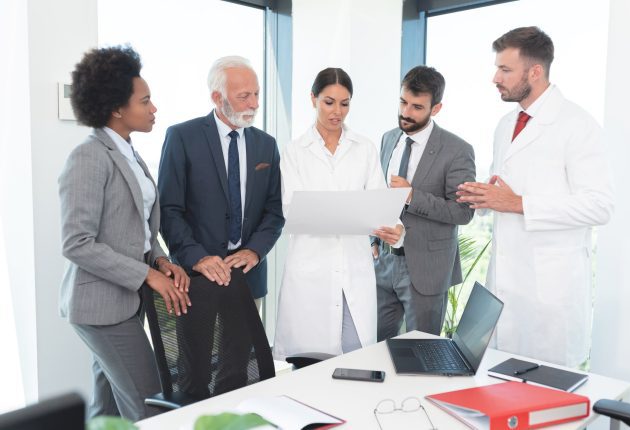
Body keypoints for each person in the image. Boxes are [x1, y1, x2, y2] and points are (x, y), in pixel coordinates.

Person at [456, 26, 614, 367]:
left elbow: (600, 205)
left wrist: (517, 203)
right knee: (499, 394)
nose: (494, 77)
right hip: (504, 287)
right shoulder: (504, 125)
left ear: (535, 71)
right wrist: (484, 197)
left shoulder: (577, 125)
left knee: (549, 405)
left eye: (505, 69)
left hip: (550, 294)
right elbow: (509, 192)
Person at [58, 46, 190, 421]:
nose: (154, 109)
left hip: (126, 302)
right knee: (150, 407)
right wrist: (147, 274)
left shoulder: (129, 153)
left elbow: (139, 229)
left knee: (108, 412)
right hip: (100, 307)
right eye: (145, 101)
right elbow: (76, 242)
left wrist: (161, 259)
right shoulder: (89, 156)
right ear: (117, 108)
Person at [273, 68, 403, 360]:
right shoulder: (295, 151)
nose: (337, 111)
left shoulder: (365, 149)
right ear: (313, 99)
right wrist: (352, 214)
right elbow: (293, 210)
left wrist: (396, 229)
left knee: (356, 355)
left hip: (354, 268)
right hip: (311, 270)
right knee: (308, 363)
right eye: (329, 102)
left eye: (345, 103)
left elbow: (379, 202)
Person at [158, 55, 284, 308]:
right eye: (244, 96)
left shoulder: (266, 144)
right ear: (217, 97)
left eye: (257, 94)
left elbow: (274, 209)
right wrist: (197, 257)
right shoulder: (182, 137)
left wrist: (255, 251)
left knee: (244, 349)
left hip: (249, 276)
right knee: (197, 349)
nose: (255, 104)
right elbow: (168, 210)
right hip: (195, 275)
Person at [373, 65, 476, 341]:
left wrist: (412, 195)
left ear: (437, 108)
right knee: (374, 350)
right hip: (383, 263)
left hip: (426, 270)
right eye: (403, 102)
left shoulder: (458, 150)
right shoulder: (388, 139)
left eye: (417, 107)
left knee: (421, 354)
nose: (406, 113)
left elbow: (463, 212)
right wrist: (374, 243)